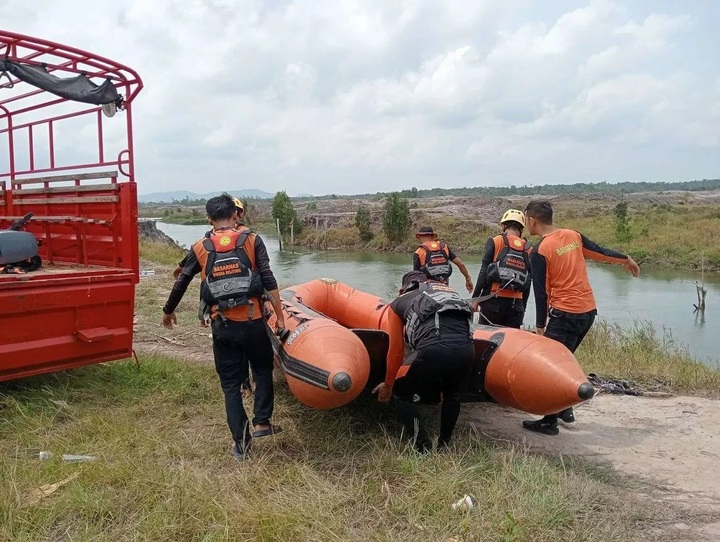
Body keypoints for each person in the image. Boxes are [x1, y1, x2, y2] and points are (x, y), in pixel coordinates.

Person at [161, 194, 286, 459]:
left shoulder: (200, 246)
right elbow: (268, 278)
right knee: (262, 370)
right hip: (253, 323)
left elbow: (181, 281)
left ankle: (242, 445)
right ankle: (263, 421)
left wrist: (168, 311)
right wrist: (280, 315)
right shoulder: (252, 240)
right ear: (236, 215)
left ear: (209, 219)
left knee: (230, 385)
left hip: (223, 326)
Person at [522, 200, 640, 436]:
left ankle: (549, 421)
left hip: (565, 314)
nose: (526, 224)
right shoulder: (573, 236)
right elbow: (600, 252)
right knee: (565, 361)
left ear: (532, 221)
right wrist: (625, 259)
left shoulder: (540, 251)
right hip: (587, 312)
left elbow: (541, 292)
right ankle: (565, 409)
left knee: (552, 368)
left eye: (526, 220)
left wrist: (539, 326)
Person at [372, 270, 475, 453]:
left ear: (402, 290)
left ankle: (422, 447)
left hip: (431, 350)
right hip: (466, 350)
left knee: (402, 394)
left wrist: (388, 384)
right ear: (426, 282)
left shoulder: (398, 303)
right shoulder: (448, 292)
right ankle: (444, 445)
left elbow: (395, 351)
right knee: (452, 396)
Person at [172, 196, 252, 397]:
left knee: (237, 347)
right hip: (244, 307)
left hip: (227, 305)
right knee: (247, 346)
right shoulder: (248, 238)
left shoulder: (216, 239)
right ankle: (248, 384)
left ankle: (245, 384)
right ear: (236, 214)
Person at [471, 209, 532, 328]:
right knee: (510, 343)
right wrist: (523, 308)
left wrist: (475, 299)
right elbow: (528, 281)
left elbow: (484, 271)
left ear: (504, 226)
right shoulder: (528, 248)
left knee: (486, 340)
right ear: (521, 228)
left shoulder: (495, 241)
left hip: (493, 301)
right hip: (516, 306)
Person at [413, 225, 474, 293]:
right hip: (444, 285)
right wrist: (468, 279)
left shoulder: (418, 252)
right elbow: (460, 264)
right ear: (432, 237)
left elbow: (416, 275)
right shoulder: (444, 247)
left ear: (420, 237)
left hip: (428, 288)